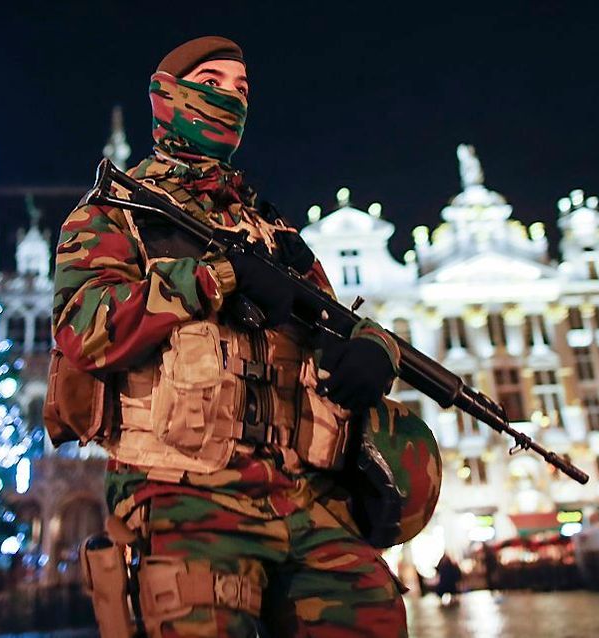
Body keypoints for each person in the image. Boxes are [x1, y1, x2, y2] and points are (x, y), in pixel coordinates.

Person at [52, 36, 421, 637]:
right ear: (167, 95)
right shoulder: (115, 213)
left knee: (373, 616)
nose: (230, 99)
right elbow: (82, 327)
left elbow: (329, 317)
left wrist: (374, 348)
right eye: (212, 83)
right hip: (182, 488)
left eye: (241, 89)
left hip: (304, 491)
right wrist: (215, 276)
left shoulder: (271, 226)